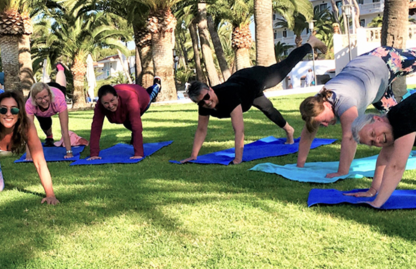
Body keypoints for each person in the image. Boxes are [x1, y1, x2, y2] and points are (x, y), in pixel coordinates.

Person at [181, 35, 327, 164]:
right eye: (201, 102)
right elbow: (201, 129)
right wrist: (194, 155)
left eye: (207, 97)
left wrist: (238, 159)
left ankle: (310, 43)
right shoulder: (203, 104)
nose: (206, 102)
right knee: (268, 108)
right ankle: (289, 130)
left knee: (286, 66)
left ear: (210, 89)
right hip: (246, 93)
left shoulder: (229, 96)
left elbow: (239, 130)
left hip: (253, 79)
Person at [298, 41, 416, 178]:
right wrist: (300, 166)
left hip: (384, 60)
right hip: (378, 91)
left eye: (323, 120)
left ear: (327, 105)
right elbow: (308, 134)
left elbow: (349, 137)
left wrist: (342, 172)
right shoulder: (315, 103)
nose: (324, 125)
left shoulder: (345, 103)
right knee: (400, 125)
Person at [0, 91, 59, 212]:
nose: (8, 114)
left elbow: (40, 163)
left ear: (20, 113)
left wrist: (50, 195)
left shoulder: (27, 126)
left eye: (14, 110)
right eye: (3, 110)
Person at [347, 92, 416, 207]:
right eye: (373, 142)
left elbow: (396, 166)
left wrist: (377, 202)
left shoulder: (402, 118)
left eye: (373, 133)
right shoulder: (393, 123)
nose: (377, 140)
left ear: (378, 118)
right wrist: (372, 191)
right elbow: (384, 159)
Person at [88, 78, 161, 160]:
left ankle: (157, 85)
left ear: (117, 97)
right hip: (127, 93)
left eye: (112, 100)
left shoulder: (130, 98)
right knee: (127, 121)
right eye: (106, 103)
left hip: (141, 97)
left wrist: (138, 154)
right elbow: (96, 128)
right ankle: (135, 139)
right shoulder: (99, 106)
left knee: (150, 95)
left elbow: (137, 126)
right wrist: (94, 154)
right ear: (101, 102)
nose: (110, 105)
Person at [24, 63, 75, 159]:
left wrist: (69, 152)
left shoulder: (58, 100)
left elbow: (64, 130)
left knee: (62, 87)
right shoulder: (30, 104)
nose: (43, 101)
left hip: (56, 89)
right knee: (45, 124)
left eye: (45, 97)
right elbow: (28, 130)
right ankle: (49, 136)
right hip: (41, 103)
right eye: (39, 98)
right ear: (34, 99)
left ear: (49, 95)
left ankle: (60, 70)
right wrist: (28, 155)